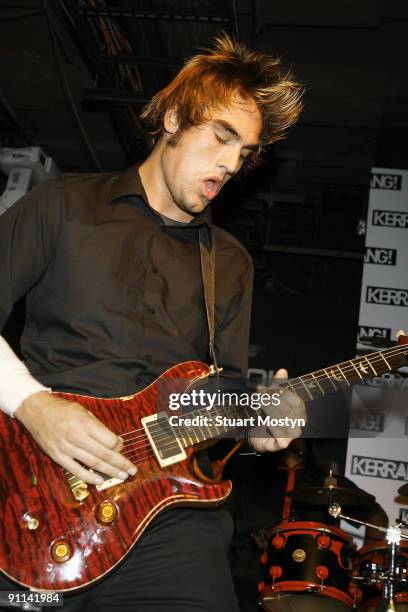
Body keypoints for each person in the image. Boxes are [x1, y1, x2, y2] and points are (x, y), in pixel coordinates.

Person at [0, 35, 305, 611]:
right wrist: (33, 406)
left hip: (171, 521)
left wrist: (260, 430)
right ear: (172, 118)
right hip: (33, 481)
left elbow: (217, 404)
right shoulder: (64, 205)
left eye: (246, 152)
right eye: (222, 136)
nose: (232, 163)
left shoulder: (231, 264)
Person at [225, 438, 388, 612]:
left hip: (310, 583)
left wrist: (357, 570)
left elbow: (378, 521)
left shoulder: (328, 484)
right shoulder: (248, 478)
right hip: (249, 579)